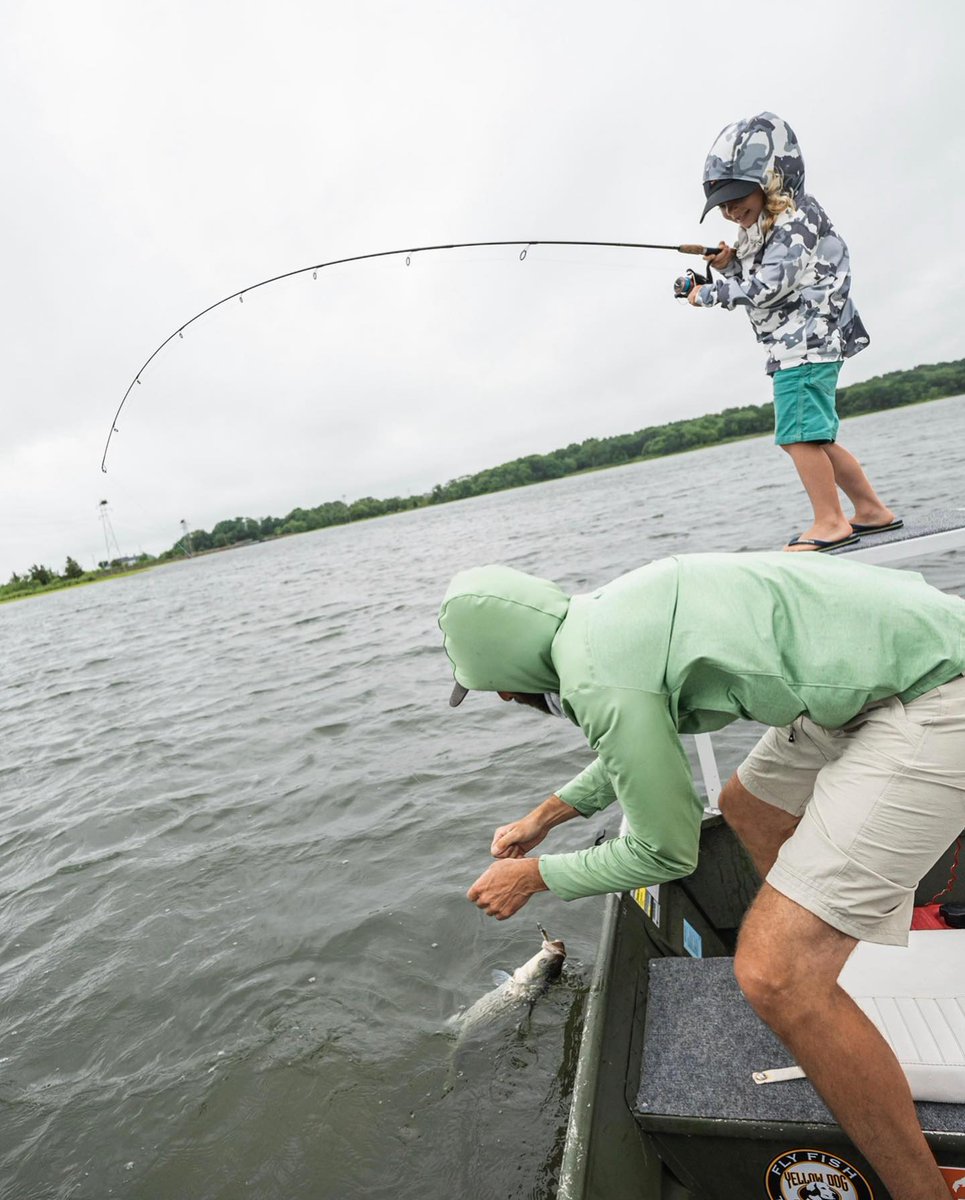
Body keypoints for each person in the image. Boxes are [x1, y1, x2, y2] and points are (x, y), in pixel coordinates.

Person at [439, 555, 965, 1200]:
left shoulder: (598, 677)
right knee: (750, 806)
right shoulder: (604, 614)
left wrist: (534, 877)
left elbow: (668, 854)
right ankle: (829, 963)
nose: (502, 699)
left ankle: (923, 1191)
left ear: (507, 668)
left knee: (772, 974)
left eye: (492, 684)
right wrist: (546, 816)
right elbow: (636, 746)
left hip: (935, 691)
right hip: (877, 678)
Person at [688, 112, 900, 553]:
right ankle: (872, 511)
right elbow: (762, 268)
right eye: (722, 205)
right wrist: (728, 265)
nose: (730, 211)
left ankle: (830, 522)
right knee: (816, 437)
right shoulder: (772, 225)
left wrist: (708, 295)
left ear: (770, 179)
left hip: (805, 343)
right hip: (803, 342)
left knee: (796, 438)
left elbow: (767, 287)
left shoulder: (795, 223)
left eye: (736, 197)